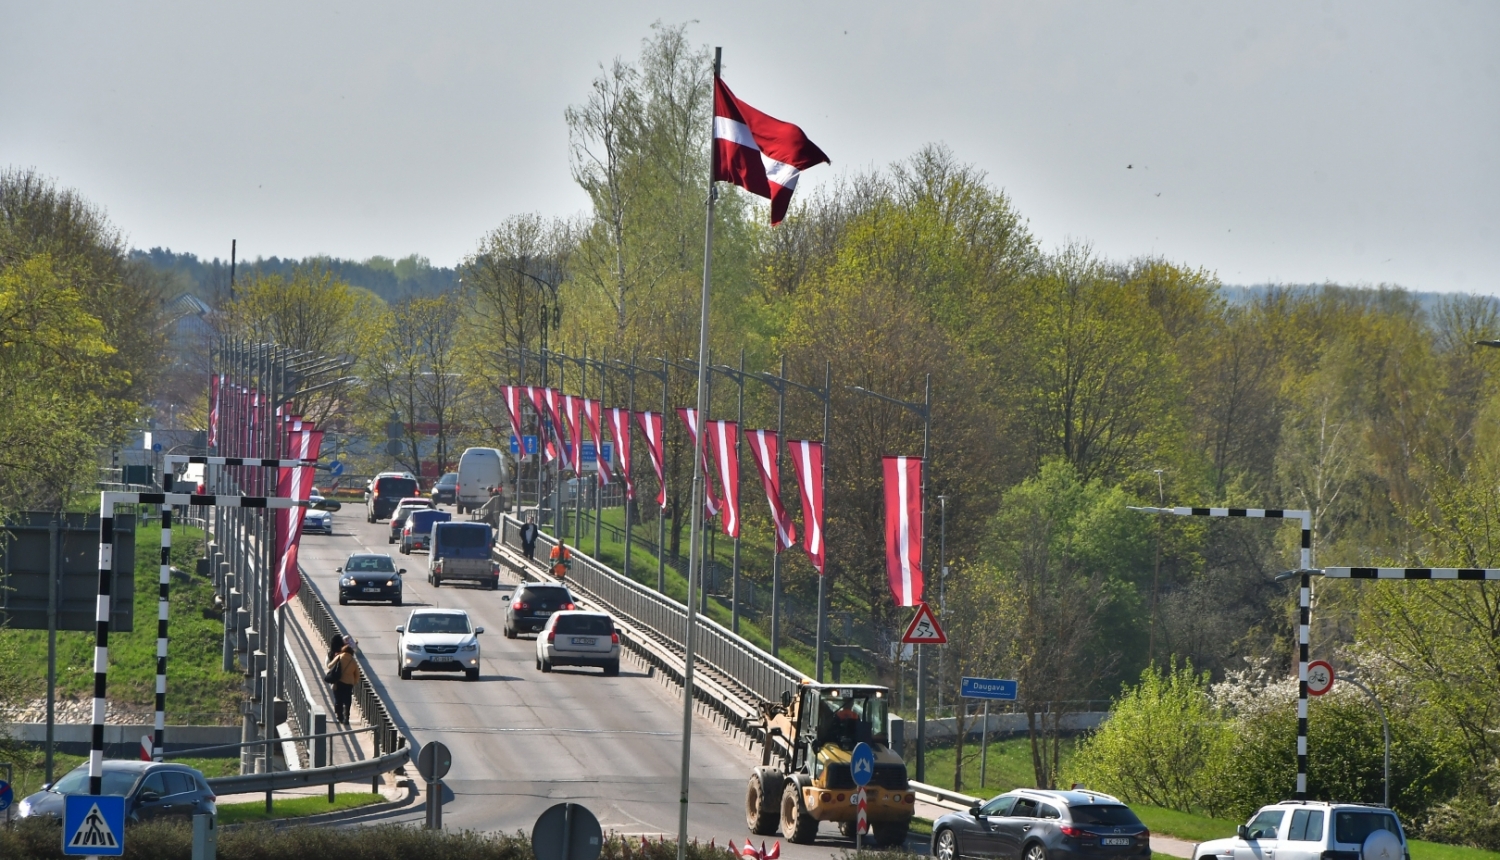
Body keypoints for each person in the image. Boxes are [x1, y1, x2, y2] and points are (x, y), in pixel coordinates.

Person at [326, 641, 359, 724]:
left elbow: (329, 665)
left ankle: (340, 716)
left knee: (338, 699)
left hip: (339, 682)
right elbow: (357, 674)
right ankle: (347, 717)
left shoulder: (340, 656)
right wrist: (354, 682)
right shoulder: (353, 661)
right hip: (349, 684)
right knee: (347, 700)